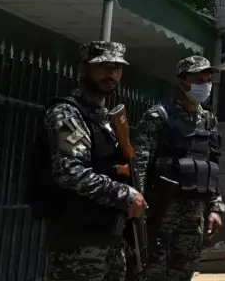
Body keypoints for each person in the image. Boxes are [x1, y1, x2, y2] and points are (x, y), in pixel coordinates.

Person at [33, 41, 146, 281]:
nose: (112, 74)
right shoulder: (67, 113)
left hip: (110, 238)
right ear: (83, 69)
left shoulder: (106, 118)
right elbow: (69, 171)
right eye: (103, 67)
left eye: (117, 68)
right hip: (79, 242)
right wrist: (124, 194)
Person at [131, 55, 225, 281]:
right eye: (198, 79)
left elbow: (211, 168)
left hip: (194, 219)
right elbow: (139, 166)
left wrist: (215, 207)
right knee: (153, 274)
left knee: (183, 274)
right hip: (160, 213)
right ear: (183, 82)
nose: (205, 84)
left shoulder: (209, 121)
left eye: (207, 79)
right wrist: (139, 211)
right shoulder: (159, 117)